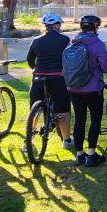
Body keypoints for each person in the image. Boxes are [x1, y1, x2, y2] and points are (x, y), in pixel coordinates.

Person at [66, 15, 107, 168]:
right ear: (95, 27)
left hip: (73, 88)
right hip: (92, 88)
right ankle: (91, 155)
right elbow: (105, 67)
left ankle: (79, 155)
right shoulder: (97, 43)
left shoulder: (73, 42)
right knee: (95, 119)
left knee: (79, 119)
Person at [26, 13, 73, 151]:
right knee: (62, 109)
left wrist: (36, 68)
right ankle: (67, 140)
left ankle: (28, 139)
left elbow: (30, 60)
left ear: (45, 26)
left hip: (38, 78)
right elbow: (70, 59)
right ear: (57, 25)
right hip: (57, 78)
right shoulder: (65, 40)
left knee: (34, 110)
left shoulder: (36, 40)